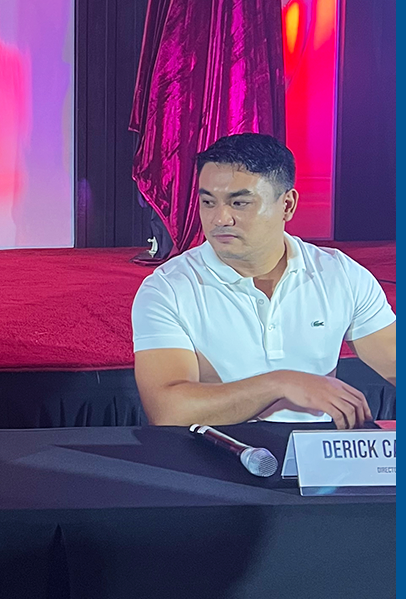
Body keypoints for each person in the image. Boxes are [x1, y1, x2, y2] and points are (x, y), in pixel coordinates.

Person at [133, 133, 396, 428]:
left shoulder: (339, 274)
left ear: (287, 205)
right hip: (213, 449)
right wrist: (280, 384)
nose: (220, 219)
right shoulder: (168, 288)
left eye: (239, 203)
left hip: (313, 451)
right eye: (208, 202)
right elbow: (168, 410)